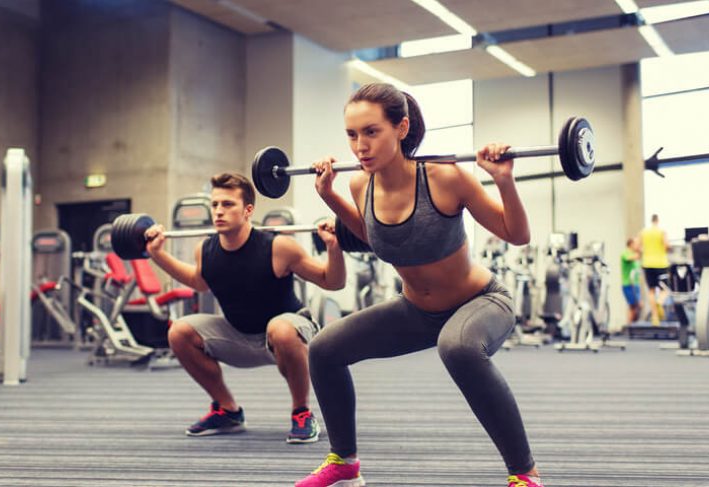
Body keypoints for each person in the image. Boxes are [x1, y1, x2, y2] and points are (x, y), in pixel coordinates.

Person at [295, 83, 542, 487]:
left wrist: (503, 180)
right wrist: (328, 195)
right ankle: (344, 461)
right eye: (352, 135)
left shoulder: (445, 177)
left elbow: (517, 234)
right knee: (323, 349)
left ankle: (524, 474)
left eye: (372, 132)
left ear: (402, 128)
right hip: (416, 310)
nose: (360, 146)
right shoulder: (361, 184)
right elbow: (376, 240)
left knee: (458, 347)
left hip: (479, 302)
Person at [144, 172, 346, 444]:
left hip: (287, 334)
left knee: (281, 328)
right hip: (239, 335)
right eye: (215, 205)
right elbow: (198, 282)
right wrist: (157, 254)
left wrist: (334, 247)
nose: (218, 211)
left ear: (248, 210)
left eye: (228, 204)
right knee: (179, 331)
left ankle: (302, 412)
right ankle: (227, 410)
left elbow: (332, 282)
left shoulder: (278, 247)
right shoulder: (206, 249)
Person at [636, 214, 670, 326]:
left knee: (651, 291)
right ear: (658, 220)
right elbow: (666, 245)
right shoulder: (662, 231)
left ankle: (655, 317)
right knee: (665, 289)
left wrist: (645, 252)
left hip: (647, 263)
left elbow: (637, 247)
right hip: (661, 263)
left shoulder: (643, 232)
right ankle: (659, 301)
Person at [621, 237, 642, 325]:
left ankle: (634, 324)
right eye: (636, 244)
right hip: (628, 284)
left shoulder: (635, 255)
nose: (638, 246)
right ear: (631, 244)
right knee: (633, 306)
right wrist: (641, 251)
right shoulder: (626, 253)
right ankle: (629, 326)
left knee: (638, 306)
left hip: (636, 284)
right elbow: (631, 258)